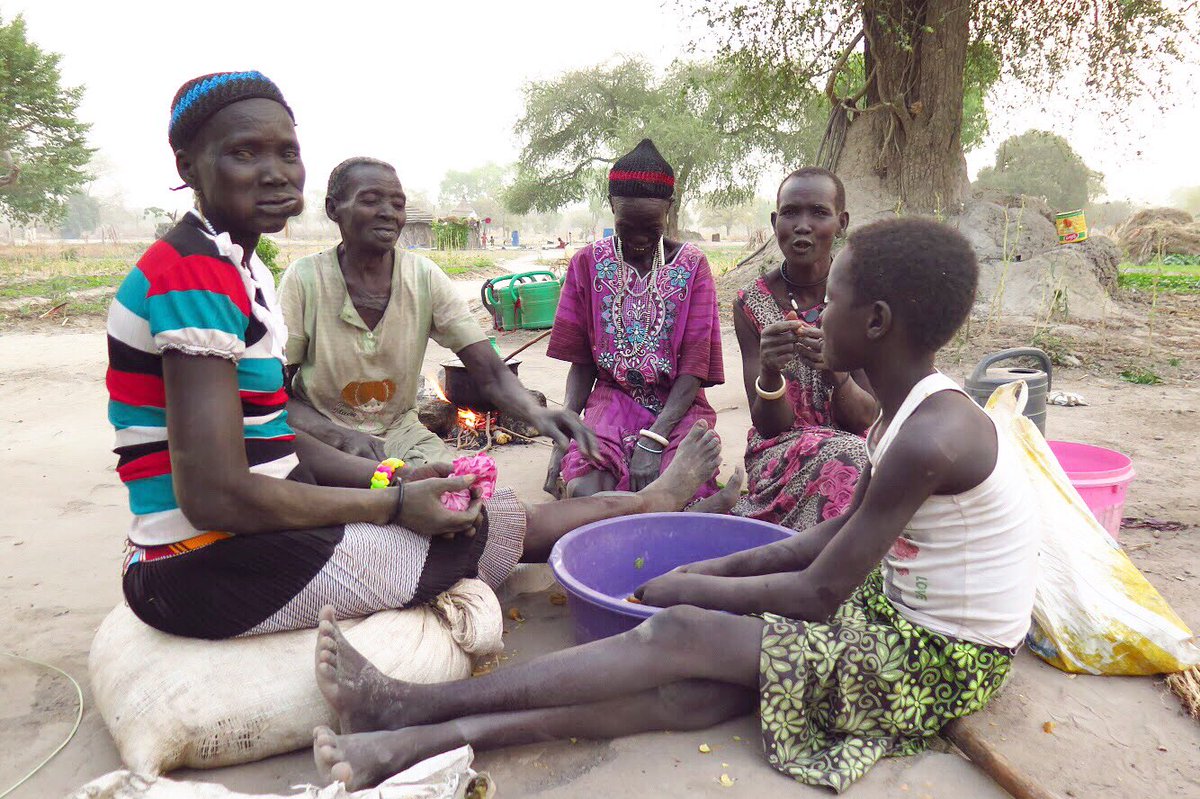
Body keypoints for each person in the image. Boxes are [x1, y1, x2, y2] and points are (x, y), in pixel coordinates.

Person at [309, 217, 1040, 794]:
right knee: (697, 690)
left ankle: (413, 710)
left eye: (835, 300)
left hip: (938, 658)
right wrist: (719, 562)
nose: (819, 313)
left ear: (875, 320)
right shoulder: (907, 410)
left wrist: (691, 589)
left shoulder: (932, 436)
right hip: (895, 614)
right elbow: (830, 535)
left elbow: (820, 589)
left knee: (684, 633)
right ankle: (418, 736)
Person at [106, 72, 732, 640]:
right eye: (245, 152)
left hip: (253, 525)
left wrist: (393, 477)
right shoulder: (200, 275)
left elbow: (271, 436)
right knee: (476, 533)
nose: (274, 172)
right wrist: (391, 504)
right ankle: (656, 503)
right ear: (188, 165)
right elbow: (216, 496)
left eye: (286, 152)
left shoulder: (235, 268)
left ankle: (648, 503)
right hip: (202, 565)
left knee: (467, 510)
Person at [278, 157, 594, 467]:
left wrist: (534, 411)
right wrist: (340, 437)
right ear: (333, 209)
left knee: (447, 490)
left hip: (400, 432)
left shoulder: (423, 277)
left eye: (398, 204)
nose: (388, 213)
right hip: (320, 432)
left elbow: (492, 371)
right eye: (371, 201)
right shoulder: (304, 279)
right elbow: (274, 394)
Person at [544, 139, 724, 501]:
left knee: (684, 492)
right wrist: (562, 441)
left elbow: (693, 368)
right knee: (584, 491)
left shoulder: (693, 267)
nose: (639, 238)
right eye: (628, 225)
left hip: (677, 403)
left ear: (669, 210)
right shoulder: (587, 263)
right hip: (611, 401)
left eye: (652, 226)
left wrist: (655, 440)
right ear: (611, 206)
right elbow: (582, 364)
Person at [732, 167, 877, 530]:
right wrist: (769, 370)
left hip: (859, 449)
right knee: (848, 462)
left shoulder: (864, 300)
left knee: (856, 459)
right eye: (790, 212)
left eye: (819, 212)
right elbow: (769, 428)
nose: (802, 225)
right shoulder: (752, 303)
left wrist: (835, 371)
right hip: (781, 454)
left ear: (842, 222)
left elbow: (866, 419)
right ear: (774, 220)